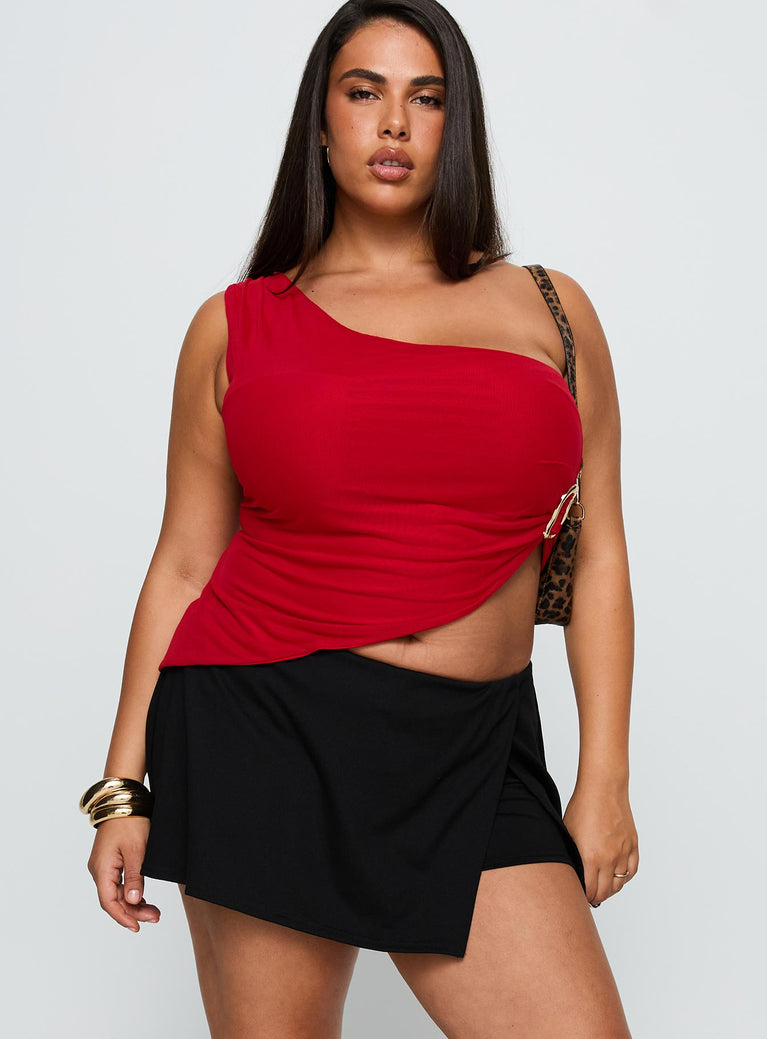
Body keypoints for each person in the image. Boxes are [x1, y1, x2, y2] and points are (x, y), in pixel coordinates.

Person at [82, 1, 637, 1035]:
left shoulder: (549, 308)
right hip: (265, 729)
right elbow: (185, 565)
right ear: (321, 120)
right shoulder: (235, 327)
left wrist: (602, 774)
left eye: (426, 98)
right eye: (363, 92)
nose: (392, 123)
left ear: (456, 125)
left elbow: (597, 550)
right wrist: (123, 784)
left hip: (477, 749)